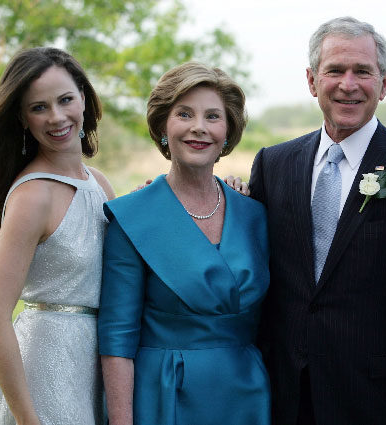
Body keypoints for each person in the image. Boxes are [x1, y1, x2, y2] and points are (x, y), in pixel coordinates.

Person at [248, 17, 386, 424]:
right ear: (311, 80)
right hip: (285, 391)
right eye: (335, 70)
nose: (349, 84)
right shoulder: (273, 164)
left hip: (377, 395)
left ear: (385, 82)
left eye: (363, 71)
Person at [98, 61, 270, 425]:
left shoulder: (254, 213)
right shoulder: (134, 217)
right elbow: (117, 341)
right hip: (164, 395)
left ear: (228, 131)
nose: (199, 128)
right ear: (163, 126)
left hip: (247, 396)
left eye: (212, 116)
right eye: (184, 114)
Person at [0, 47, 114, 425]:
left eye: (65, 99)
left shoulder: (98, 183)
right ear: (22, 118)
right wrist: (27, 419)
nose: (56, 117)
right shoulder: (34, 195)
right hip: (45, 368)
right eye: (38, 107)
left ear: (83, 98)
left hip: (95, 363)